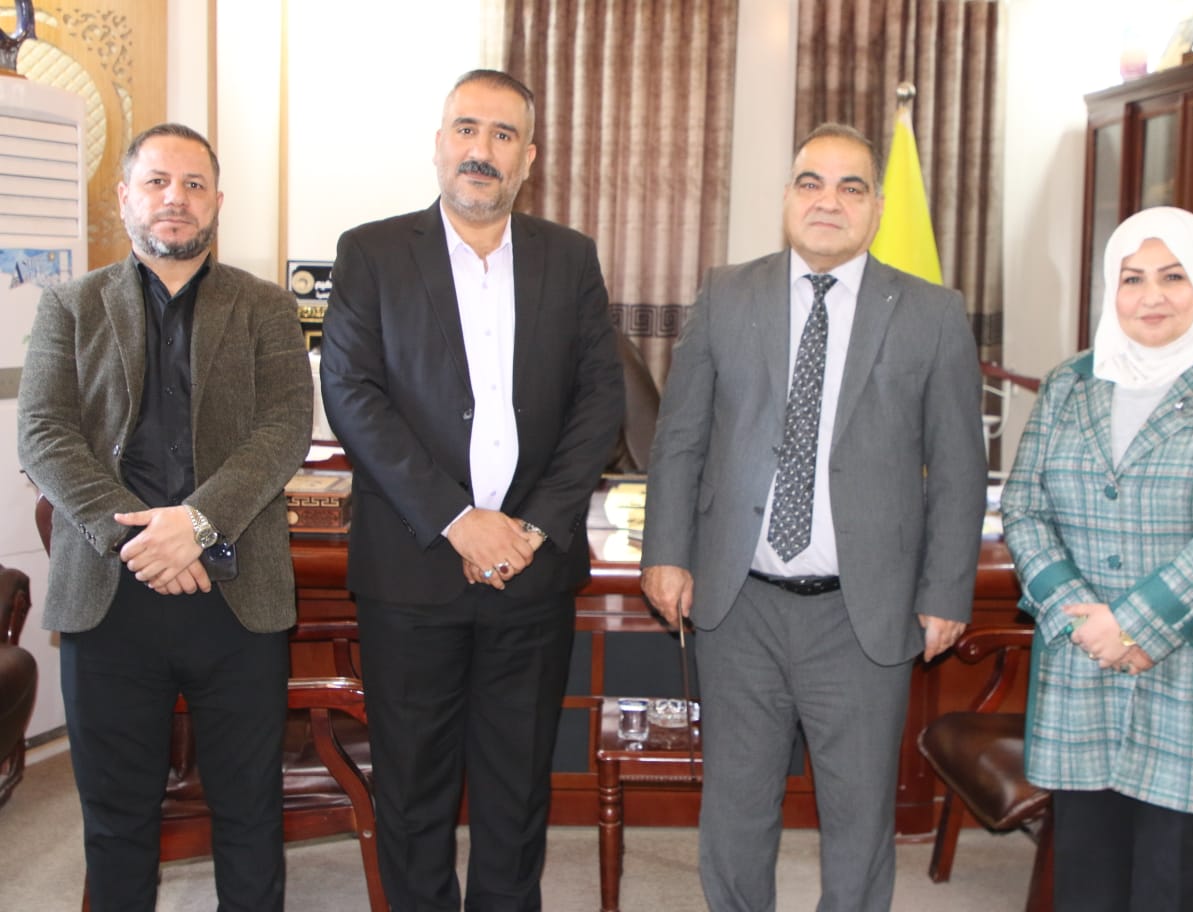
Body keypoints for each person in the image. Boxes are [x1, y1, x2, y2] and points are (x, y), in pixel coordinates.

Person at [641, 122, 986, 911]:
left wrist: (946, 591)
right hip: (739, 602)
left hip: (863, 611)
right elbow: (680, 438)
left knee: (859, 819)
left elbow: (959, 468)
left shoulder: (932, 313)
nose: (828, 201)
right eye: (810, 182)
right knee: (736, 811)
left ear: (877, 206)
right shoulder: (727, 294)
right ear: (788, 197)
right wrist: (666, 551)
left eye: (850, 186)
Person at [320, 69, 624, 911]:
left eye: (502, 135)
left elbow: (601, 402)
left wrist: (532, 526)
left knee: (516, 789)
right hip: (411, 571)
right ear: (438, 144)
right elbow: (352, 395)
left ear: (529, 157)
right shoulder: (372, 252)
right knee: (412, 790)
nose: (480, 151)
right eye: (466, 129)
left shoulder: (570, 257)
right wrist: (458, 520)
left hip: (532, 571)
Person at [17, 123, 313, 911]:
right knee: (116, 822)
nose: (174, 198)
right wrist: (140, 538)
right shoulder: (70, 306)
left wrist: (197, 523)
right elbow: (43, 433)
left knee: (249, 815)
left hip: (236, 595)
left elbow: (284, 427)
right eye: (156, 182)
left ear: (217, 201)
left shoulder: (266, 307)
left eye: (193, 184)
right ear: (125, 198)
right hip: (109, 595)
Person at [1001, 206, 1193, 912]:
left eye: (1173, 277)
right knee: (1086, 882)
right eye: (1132, 278)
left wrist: (1135, 625)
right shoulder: (1069, 382)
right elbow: (1024, 508)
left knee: (1175, 885)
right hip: (1084, 666)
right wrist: (1080, 617)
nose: (1151, 296)